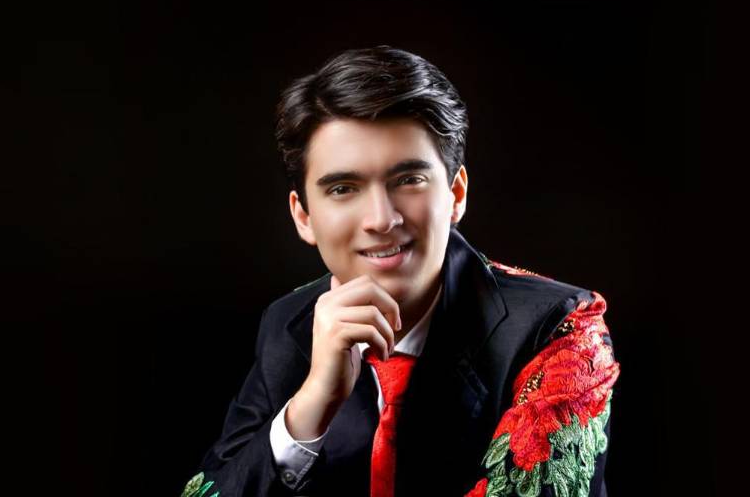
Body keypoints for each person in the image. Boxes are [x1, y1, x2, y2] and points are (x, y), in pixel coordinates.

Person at [179, 45, 620, 497]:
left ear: (456, 194)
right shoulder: (287, 324)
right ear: (303, 216)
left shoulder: (560, 328)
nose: (381, 219)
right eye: (343, 188)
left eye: (409, 180)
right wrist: (306, 412)